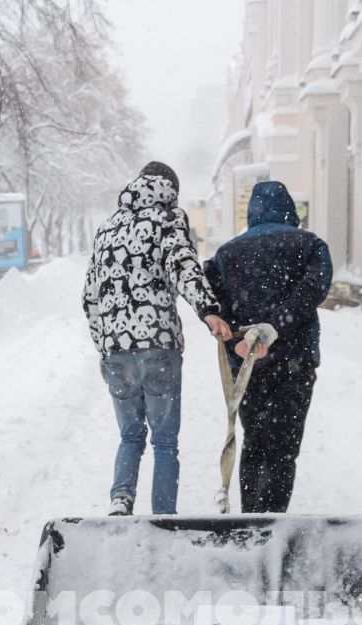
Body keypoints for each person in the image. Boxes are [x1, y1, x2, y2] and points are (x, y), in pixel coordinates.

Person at [82, 161, 231, 516]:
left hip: (117, 350)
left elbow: (90, 297)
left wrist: (104, 348)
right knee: (164, 441)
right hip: (158, 344)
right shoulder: (167, 219)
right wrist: (209, 310)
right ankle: (162, 517)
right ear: (170, 191)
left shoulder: (106, 230)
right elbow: (183, 266)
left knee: (130, 435)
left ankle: (121, 499)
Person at [204, 180, 333, 514]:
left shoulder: (226, 253)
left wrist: (236, 340)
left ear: (251, 213)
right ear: (290, 210)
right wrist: (278, 324)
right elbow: (313, 289)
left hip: (248, 365)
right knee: (283, 448)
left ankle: (251, 520)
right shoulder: (309, 245)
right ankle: (272, 521)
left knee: (255, 443)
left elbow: (212, 303)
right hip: (296, 363)